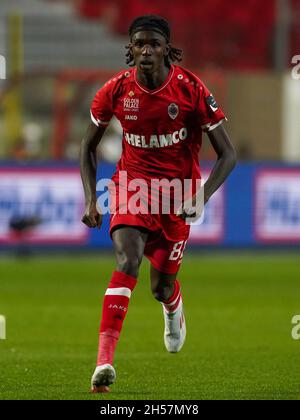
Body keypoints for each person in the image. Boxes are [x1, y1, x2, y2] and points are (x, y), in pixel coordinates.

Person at [80, 15, 237, 393]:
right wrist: (90, 199)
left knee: (160, 287)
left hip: (177, 197)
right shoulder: (115, 90)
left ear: (167, 48)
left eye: (153, 43)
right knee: (127, 261)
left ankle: (172, 309)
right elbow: (87, 146)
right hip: (131, 187)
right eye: (139, 43)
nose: (146, 50)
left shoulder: (190, 89)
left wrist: (201, 196)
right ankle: (104, 363)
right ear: (130, 50)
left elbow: (227, 154)